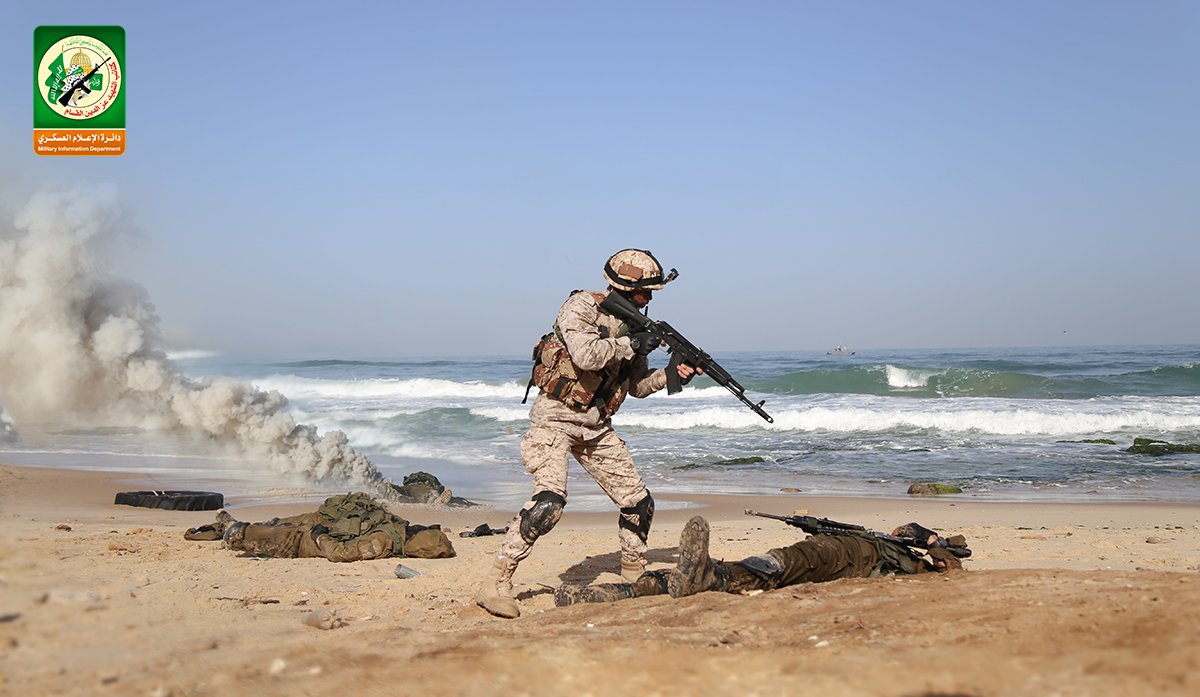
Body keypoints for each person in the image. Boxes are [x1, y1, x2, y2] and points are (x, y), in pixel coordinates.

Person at [476, 249, 700, 619]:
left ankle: (634, 575)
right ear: (627, 288)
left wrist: (673, 375)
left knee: (638, 503)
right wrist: (630, 344)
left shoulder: (635, 326)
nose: (651, 298)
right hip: (554, 421)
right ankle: (496, 582)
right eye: (647, 291)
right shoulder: (580, 307)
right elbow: (585, 356)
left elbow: (638, 387)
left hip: (596, 426)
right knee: (548, 503)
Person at [554, 515, 967, 606]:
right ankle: (614, 593)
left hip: (855, 557)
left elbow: (954, 572)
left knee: (784, 561)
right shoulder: (896, 551)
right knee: (760, 572)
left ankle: (695, 577)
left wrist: (930, 540)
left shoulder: (928, 561)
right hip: (851, 558)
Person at [184, 492, 456, 562]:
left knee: (243, 534)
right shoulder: (396, 529)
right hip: (319, 525)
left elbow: (340, 554)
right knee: (274, 522)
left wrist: (319, 536)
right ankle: (225, 524)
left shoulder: (384, 541)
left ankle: (226, 526)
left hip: (304, 543)